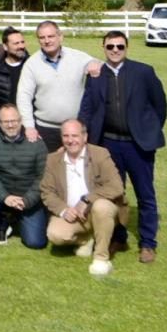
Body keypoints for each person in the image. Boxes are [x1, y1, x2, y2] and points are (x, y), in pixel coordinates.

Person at [78, 30, 167, 263]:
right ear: (103, 48)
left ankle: (148, 243)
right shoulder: (96, 75)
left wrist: (148, 130)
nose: (115, 50)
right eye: (110, 47)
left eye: (120, 46)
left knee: (145, 194)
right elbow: (87, 108)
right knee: (115, 194)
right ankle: (118, 237)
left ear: (126, 48)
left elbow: (160, 105)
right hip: (108, 144)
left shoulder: (143, 72)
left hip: (138, 146)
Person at [40, 118, 128, 276]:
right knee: (55, 234)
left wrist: (87, 199)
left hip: (99, 210)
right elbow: (47, 191)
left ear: (85, 137)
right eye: (66, 136)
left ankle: (101, 258)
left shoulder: (100, 154)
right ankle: (87, 238)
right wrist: (64, 210)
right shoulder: (52, 160)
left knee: (101, 207)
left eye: (75, 135)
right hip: (73, 214)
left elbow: (116, 186)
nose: (70, 140)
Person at [16, 21, 100, 151]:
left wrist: (94, 62)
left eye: (51, 36)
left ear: (60, 36)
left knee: (77, 169)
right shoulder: (31, 64)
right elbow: (23, 97)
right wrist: (29, 126)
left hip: (75, 128)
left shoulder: (78, 57)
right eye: (42, 37)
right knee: (49, 169)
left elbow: (99, 64)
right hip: (46, 130)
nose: (47, 41)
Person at [0, 104, 48, 247]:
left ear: (21, 121)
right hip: (4, 198)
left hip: (28, 200)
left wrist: (27, 200)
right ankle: (3, 220)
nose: (10, 125)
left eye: (14, 121)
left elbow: (43, 176)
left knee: (35, 243)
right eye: (5, 122)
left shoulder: (37, 144)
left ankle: (17, 219)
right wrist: (5, 197)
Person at [0, 27, 29, 112]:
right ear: (5, 46)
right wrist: (2, 115)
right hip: (4, 121)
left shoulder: (31, 65)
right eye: (16, 43)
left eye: (22, 42)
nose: (21, 46)